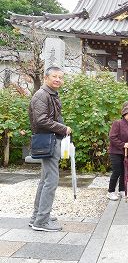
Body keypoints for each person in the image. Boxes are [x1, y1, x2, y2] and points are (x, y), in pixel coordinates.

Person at [29, 66, 72, 232]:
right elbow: (41, 120)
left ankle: (38, 216)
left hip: (50, 140)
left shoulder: (50, 94)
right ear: (46, 77)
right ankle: (41, 221)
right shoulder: (42, 95)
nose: (58, 80)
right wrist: (63, 128)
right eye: (54, 76)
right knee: (51, 181)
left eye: (60, 77)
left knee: (45, 180)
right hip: (48, 140)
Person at [107, 105, 128, 200]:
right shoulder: (118, 123)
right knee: (116, 171)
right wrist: (122, 144)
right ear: (124, 114)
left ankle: (121, 190)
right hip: (116, 152)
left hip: (126, 152)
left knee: (124, 172)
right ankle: (111, 191)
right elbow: (112, 137)